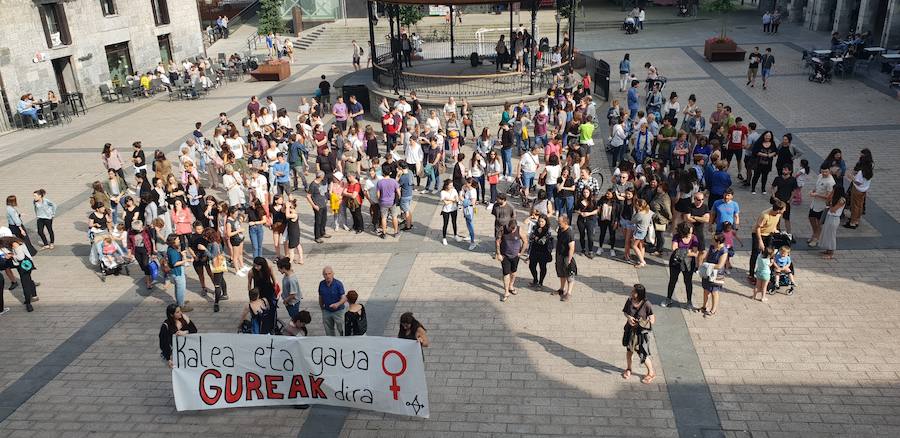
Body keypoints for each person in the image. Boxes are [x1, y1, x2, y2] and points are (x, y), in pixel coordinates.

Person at [622, 284, 656, 384]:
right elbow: (625, 312)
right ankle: (629, 369)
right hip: (630, 330)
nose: (632, 293)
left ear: (639, 294)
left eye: (634, 292)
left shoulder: (647, 304)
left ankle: (651, 372)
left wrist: (646, 320)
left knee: (642, 352)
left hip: (641, 333)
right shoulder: (629, 300)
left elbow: (653, 318)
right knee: (629, 350)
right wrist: (628, 317)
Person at [663, 222, 700, 309]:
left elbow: (695, 253)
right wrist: (688, 251)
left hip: (688, 263)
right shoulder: (677, 236)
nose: (691, 234)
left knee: (688, 282)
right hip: (676, 262)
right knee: (672, 280)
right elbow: (674, 249)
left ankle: (689, 301)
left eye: (692, 232)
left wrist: (681, 251)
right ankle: (668, 298)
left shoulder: (694, 238)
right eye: (689, 232)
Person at [749, 200, 785, 281]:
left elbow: (776, 222)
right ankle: (751, 274)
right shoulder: (765, 215)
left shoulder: (778, 214)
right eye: (783, 209)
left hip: (769, 234)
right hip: (758, 234)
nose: (784, 210)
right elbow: (758, 228)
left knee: (769, 253)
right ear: (778, 210)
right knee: (755, 254)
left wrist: (775, 229)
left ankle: (763, 271)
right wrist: (760, 241)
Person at [496, 221, 528, 302]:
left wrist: (521, 253)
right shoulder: (503, 229)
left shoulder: (519, 230)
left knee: (513, 273)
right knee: (506, 273)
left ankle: (511, 286)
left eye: (514, 229)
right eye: (511, 229)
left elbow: (525, 241)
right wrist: (498, 254)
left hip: (515, 256)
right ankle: (506, 292)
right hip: (505, 256)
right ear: (508, 226)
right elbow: (497, 241)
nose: (512, 231)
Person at [158, 304, 197, 368]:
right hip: (173, 354)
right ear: (171, 315)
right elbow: (164, 344)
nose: (180, 313)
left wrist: (185, 332)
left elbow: (194, 330)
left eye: (180, 311)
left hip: (186, 351)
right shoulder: (166, 326)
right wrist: (168, 359)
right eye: (177, 312)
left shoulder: (183, 318)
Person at [844, 149, 873, 229]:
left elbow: (858, 182)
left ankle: (852, 222)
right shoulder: (869, 169)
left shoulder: (861, 172)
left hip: (857, 189)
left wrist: (851, 177)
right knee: (860, 205)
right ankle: (857, 220)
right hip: (864, 189)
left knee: (854, 206)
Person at [700, 234, 727, 317]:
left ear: (718, 242)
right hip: (707, 272)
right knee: (706, 290)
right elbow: (706, 257)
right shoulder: (712, 247)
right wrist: (703, 263)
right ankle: (704, 306)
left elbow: (720, 265)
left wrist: (708, 265)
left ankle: (713, 310)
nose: (711, 241)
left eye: (713, 240)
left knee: (714, 292)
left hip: (716, 274)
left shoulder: (724, 251)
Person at [165, 234, 192, 312]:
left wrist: (181, 254)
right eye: (177, 240)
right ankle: (181, 306)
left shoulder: (170, 248)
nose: (179, 240)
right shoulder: (172, 251)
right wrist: (186, 260)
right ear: (173, 241)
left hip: (175, 272)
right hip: (177, 272)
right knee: (181, 289)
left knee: (178, 288)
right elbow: (175, 263)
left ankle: (180, 302)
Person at [318, 266, 347, 336]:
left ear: (333, 274)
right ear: (323, 275)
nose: (327, 276)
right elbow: (320, 297)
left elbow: (344, 298)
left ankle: (343, 340)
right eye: (325, 274)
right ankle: (331, 342)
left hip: (338, 311)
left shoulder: (338, 284)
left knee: (341, 329)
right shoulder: (321, 284)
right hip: (327, 311)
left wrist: (337, 304)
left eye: (329, 273)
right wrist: (322, 309)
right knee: (328, 330)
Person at [820, 185, 846, 259]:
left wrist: (830, 204)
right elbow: (827, 203)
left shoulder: (842, 200)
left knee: (831, 235)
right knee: (827, 233)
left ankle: (831, 253)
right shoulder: (835, 197)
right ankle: (828, 250)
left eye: (833, 190)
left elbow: (833, 209)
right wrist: (830, 196)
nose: (832, 191)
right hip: (829, 216)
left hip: (834, 218)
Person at [554, 216, 576, 301]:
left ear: (565, 223)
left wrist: (569, 260)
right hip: (559, 255)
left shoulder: (569, 233)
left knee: (569, 275)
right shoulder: (560, 229)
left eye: (559, 222)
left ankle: (569, 293)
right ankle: (561, 289)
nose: (558, 224)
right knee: (561, 273)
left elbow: (572, 248)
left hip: (566, 257)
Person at [307, 171, 330, 243]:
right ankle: (317, 236)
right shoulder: (313, 185)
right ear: (321, 177)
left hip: (323, 204)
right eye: (323, 175)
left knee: (324, 220)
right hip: (317, 206)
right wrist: (314, 205)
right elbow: (308, 196)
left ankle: (322, 232)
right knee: (318, 221)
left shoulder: (321, 182)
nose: (324, 177)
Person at [376, 172, 401, 238]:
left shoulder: (380, 182)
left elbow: (378, 194)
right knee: (394, 217)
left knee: (384, 218)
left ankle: (384, 233)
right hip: (392, 202)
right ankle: (395, 232)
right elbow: (398, 193)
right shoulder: (394, 181)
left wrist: (379, 201)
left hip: (383, 202)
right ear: (390, 173)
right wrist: (397, 200)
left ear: (382, 173)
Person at [461, 177, 478, 250]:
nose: (465, 184)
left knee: (470, 225)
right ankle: (470, 236)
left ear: (470, 183)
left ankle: (472, 242)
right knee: (468, 223)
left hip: (469, 209)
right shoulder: (468, 189)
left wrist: (463, 199)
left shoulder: (473, 191)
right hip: (466, 209)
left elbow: (473, 202)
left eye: (467, 183)